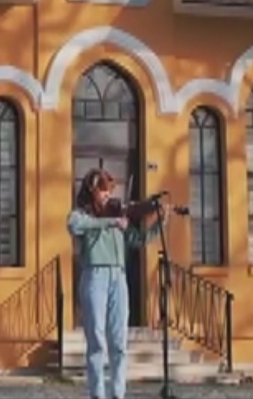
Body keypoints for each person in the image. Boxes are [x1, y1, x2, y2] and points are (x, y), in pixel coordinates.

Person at [66, 168, 168, 399]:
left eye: (109, 191)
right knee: (97, 342)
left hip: (118, 278)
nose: (108, 196)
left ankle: (118, 394)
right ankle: (97, 394)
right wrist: (110, 222)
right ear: (92, 191)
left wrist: (158, 222)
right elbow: (73, 225)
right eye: (103, 191)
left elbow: (139, 240)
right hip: (95, 277)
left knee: (119, 342)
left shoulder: (118, 215)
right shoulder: (84, 215)